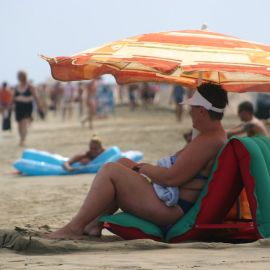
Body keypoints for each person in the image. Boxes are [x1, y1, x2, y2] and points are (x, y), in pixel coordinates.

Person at [48, 83, 228, 240]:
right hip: (172, 201)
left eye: (192, 108)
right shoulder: (211, 137)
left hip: (172, 211)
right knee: (121, 162)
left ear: (203, 111)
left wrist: (143, 168)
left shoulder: (208, 141)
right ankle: (93, 225)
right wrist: (139, 168)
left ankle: (74, 228)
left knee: (111, 170)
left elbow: (170, 179)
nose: (189, 112)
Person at [13, 71, 43, 146]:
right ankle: (21, 138)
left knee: (24, 123)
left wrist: (39, 107)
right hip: (18, 106)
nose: (18, 78)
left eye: (19, 76)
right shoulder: (17, 87)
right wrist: (9, 106)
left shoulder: (30, 87)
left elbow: (36, 97)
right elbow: (12, 98)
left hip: (27, 106)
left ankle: (23, 140)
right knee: (19, 124)